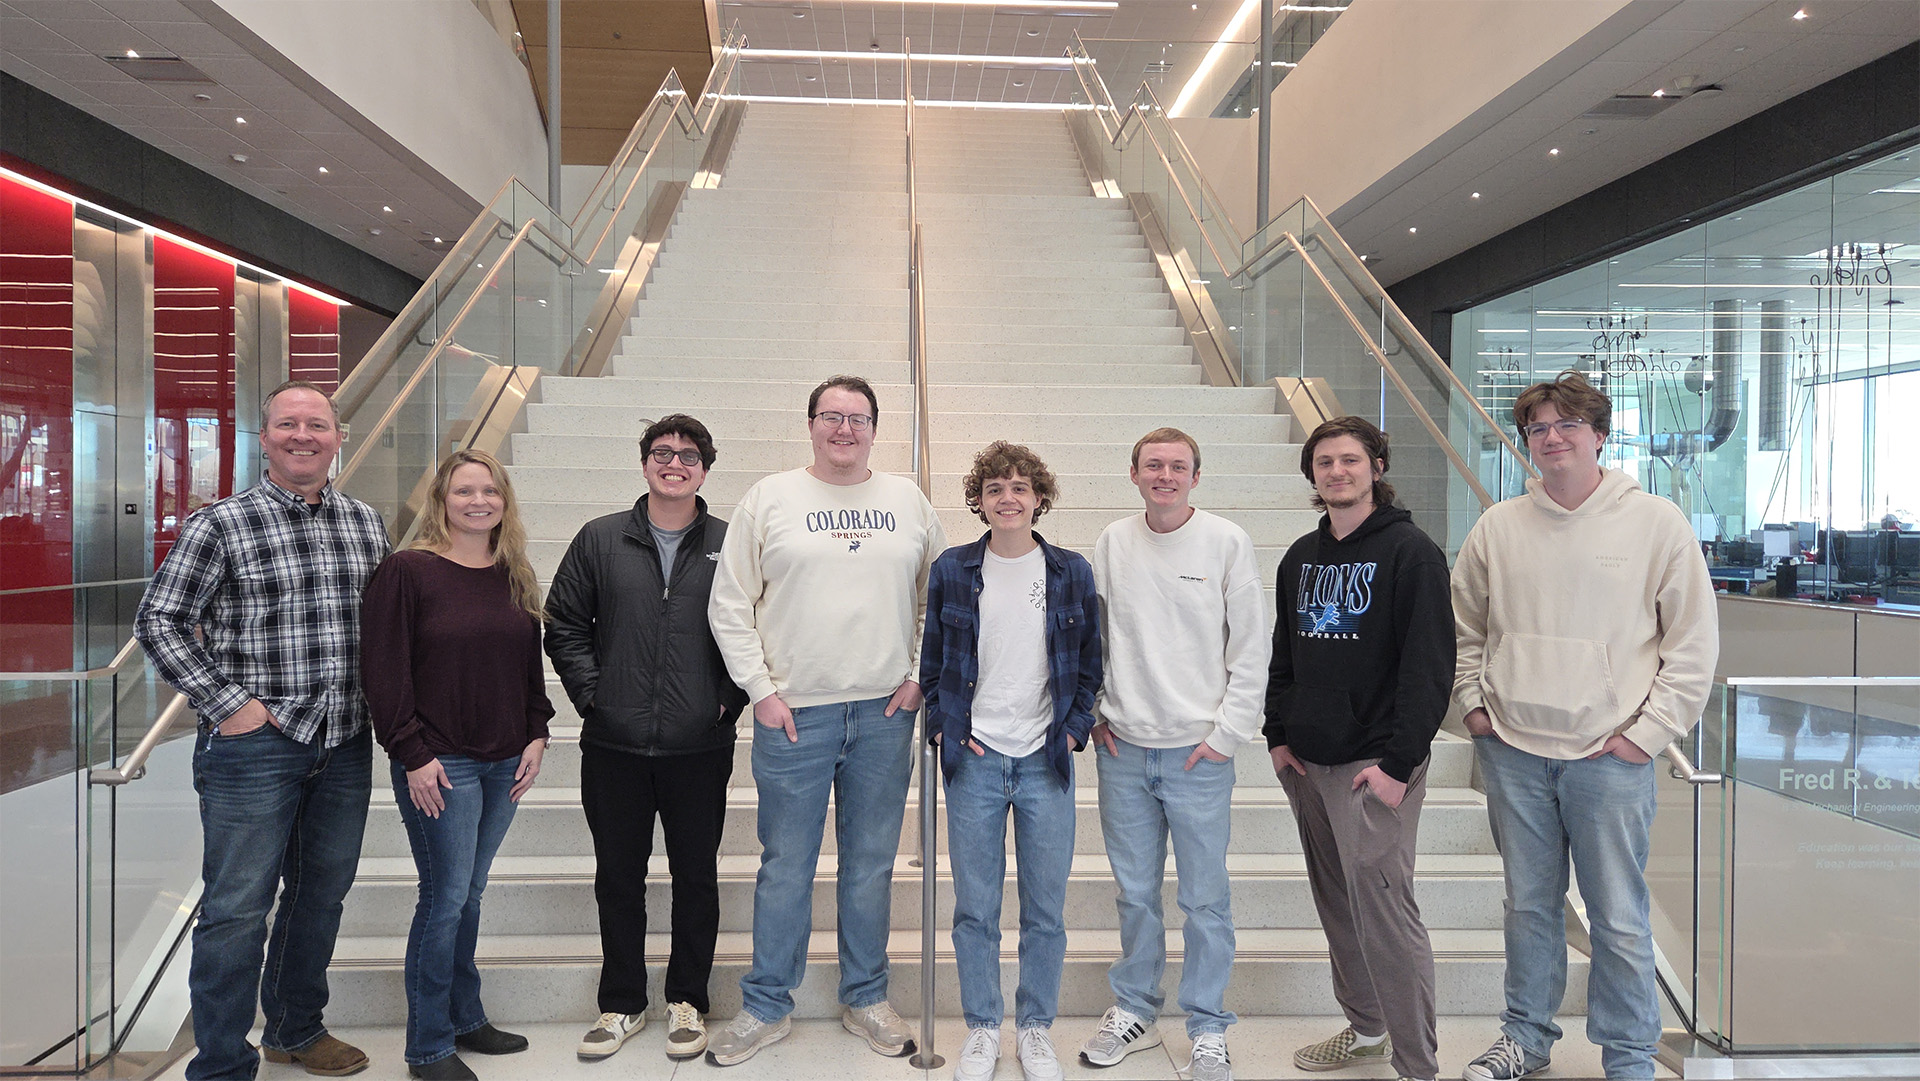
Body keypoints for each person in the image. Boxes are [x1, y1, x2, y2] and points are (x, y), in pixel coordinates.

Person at [1452, 371, 1718, 1081]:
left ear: (1600, 435)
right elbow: (1465, 629)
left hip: (1610, 753)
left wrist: (1647, 732)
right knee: (1528, 908)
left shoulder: (1656, 522)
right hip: (1513, 747)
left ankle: (1630, 1055)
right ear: (1528, 443)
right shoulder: (1497, 526)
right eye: (1539, 427)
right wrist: (1475, 706)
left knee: (1618, 916)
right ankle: (1526, 1038)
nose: (1553, 437)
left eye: (1568, 424)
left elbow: (1692, 645)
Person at [135, 379, 390, 1080]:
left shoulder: (366, 522)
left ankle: (295, 1029)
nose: (302, 435)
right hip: (255, 746)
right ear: (265, 436)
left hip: (343, 741)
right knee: (235, 910)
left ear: (338, 437)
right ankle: (220, 1061)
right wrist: (228, 703)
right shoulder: (219, 523)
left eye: (317, 424)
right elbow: (158, 620)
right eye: (288, 424)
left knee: (320, 895)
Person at [705, 375, 947, 1065]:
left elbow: (944, 593)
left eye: (858, 417)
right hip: (794, 715)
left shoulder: (907, 499)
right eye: (831, 416)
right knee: (786, 864)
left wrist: (917, 674)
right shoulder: (770, 497)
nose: (844, 428)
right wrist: (762, 690)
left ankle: (866, 996)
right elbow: (730, 604)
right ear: (810, 423)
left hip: (882, 713)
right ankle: (766, 1004)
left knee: (869, 864)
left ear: (876, 426)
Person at [542, 414, 749, 1062]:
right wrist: (594, 698)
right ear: (644, 463)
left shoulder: (730, 542)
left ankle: (688, 998)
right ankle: (623, 1001)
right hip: (615, 746)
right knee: (618, 877)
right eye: (663, 452)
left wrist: (724, 702)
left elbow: (759, 631)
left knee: (696, 876)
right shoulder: (600, 539)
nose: (675, 462)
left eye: (689, 455)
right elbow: (564, 623)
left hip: (699, 744)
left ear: (705, 469)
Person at [1265, 418, 1453, 1081]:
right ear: (1312, 474)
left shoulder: (1412, 553)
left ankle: (1416, 1065)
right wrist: (1277, 735)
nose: (1336, 470)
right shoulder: (1300, 555)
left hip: (1375, 766)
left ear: (1376, 465)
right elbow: (1283, 654)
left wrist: (1400, 764)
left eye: (1349, 459)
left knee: (1386, 917)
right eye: (1324, 461)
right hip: (1309, 763)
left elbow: (1428, 669)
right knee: (1337, 903)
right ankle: (1368, 1029)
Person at [1082, 427, 1269, 1081]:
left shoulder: (1225, 541)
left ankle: (1208, 1024)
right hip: (1125, 750)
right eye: (1153, 465)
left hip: (1197, 754)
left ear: (1196, 476)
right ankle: (1134, 1007)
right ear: (1133, 473)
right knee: (1135, 893)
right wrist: (1096, 713)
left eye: (1178, 466)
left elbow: (1250, 645)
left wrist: (1226, 735)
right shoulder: (1111, 542)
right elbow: (1095, 637)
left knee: (1205, 900)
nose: (1165, 474)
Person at [359, 449, 552, 1081]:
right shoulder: (406, 572)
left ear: (505, 501)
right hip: (440, 762)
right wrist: (412, 755)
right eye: (464, 491)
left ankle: (466, 1016)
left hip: (504, 761)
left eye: (490, 491)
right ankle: (427, 1048)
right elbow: (383, 674)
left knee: (468, 894)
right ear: (441, 501)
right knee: (443, 899)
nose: (478, 502)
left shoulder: (512, 571)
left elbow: (528, 666)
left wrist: (537, 734)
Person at [920, 442, 1102, 1081]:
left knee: (1045, 909)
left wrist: (1074, 732)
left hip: (1043, 760)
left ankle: (1034, 1028)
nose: (1008, 497)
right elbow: (935, 660)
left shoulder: (1071, 571)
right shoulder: (952, 568)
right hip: (975, 760)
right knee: (975, 908)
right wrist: (946, 728)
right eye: (996, 487)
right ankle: (980, 1028)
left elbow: (1089, 667)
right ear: (979, 500)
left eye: (1020, 487)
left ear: (1039, 498)